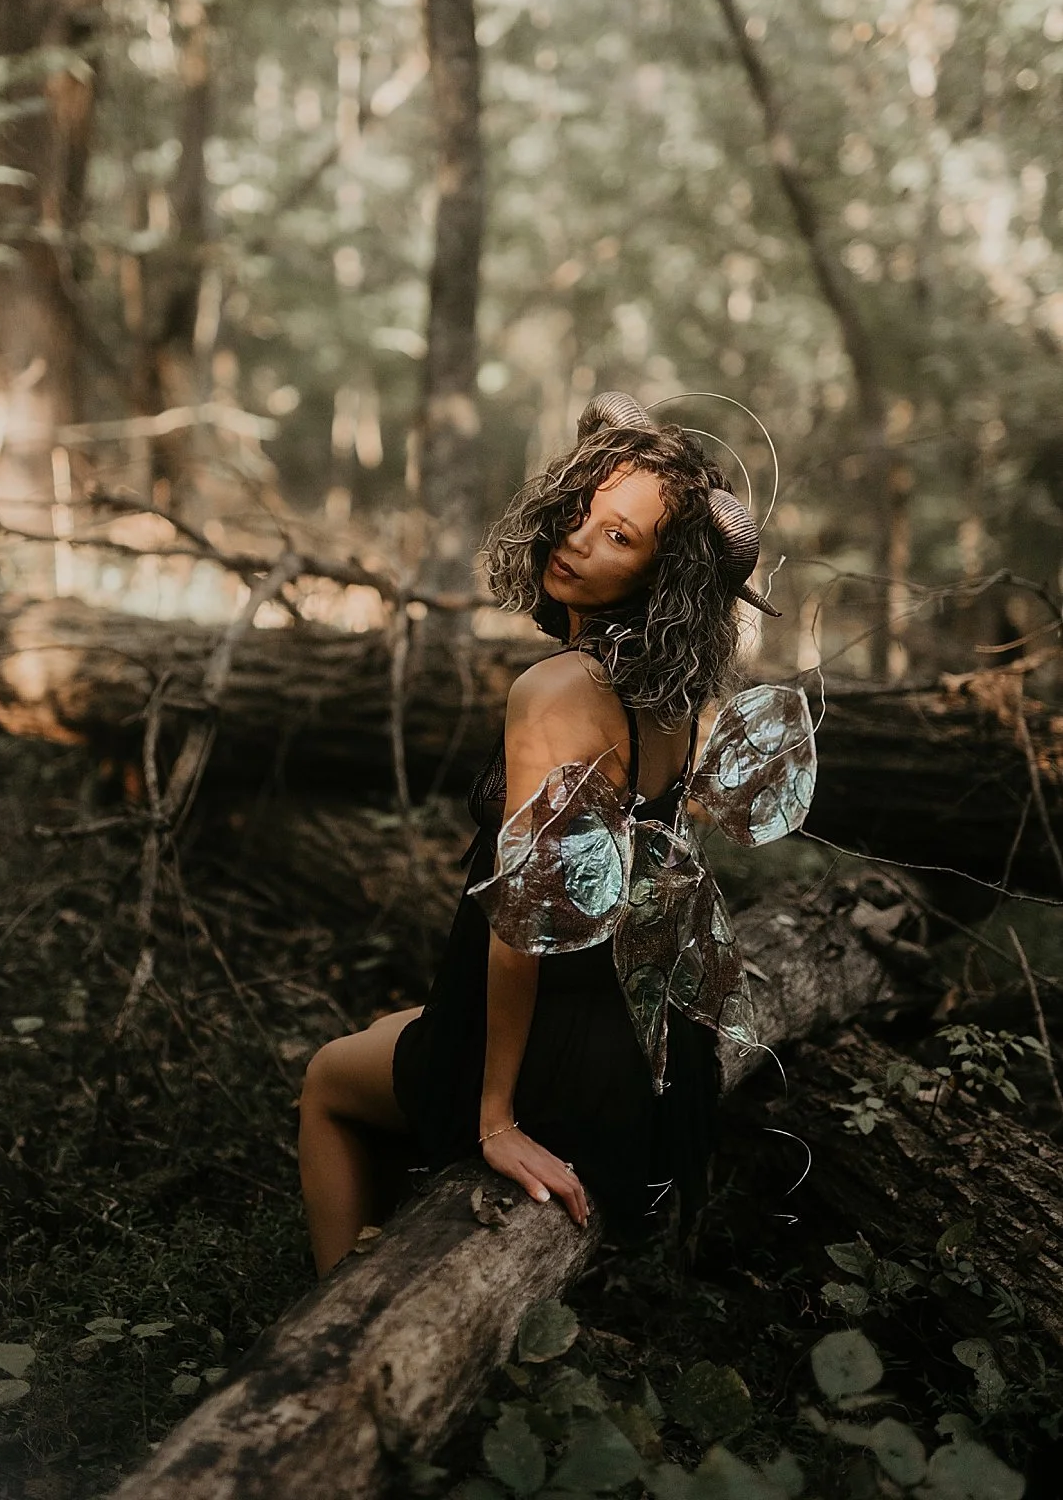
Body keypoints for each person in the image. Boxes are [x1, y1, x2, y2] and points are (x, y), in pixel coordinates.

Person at [298, 394, 777, 1278]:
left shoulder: (556, 692)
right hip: (635, 1040)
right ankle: (386, 1239)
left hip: (556, 1052)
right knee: (382, 1028)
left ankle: (326, 1317)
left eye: (620, 538)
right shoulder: (670, 696)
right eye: (580, 512)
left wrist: (495, 1116)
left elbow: (523, 928)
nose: (577, 541)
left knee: (330, 1079)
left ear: (660, 576)